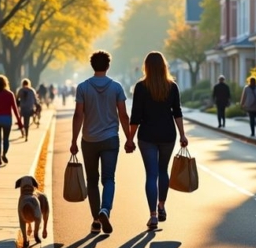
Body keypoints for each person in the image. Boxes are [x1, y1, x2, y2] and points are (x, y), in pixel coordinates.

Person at [126, 52, 189, 230]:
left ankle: (153, 215)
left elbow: (136, 116)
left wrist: (130, 138)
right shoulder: (172, 86)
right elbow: (177, 112)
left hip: (147, 136)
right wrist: (182, 135)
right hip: (168, 134)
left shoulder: (140, 87)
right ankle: (161, 206)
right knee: (163, 171)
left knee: (151, 174)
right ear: (164, 66)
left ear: (146, 67)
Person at [71, 50, 130, 235]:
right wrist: (129, 138)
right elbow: (123, 114)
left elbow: (78, 115)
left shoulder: (83, 87)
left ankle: (96, 221)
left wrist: (73, 140)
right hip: (111, 139)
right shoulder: (116, 87)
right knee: (109, 179)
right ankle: (105, 210)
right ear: (108, 66)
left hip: (89, 140)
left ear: (92, 65)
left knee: (92, 181)